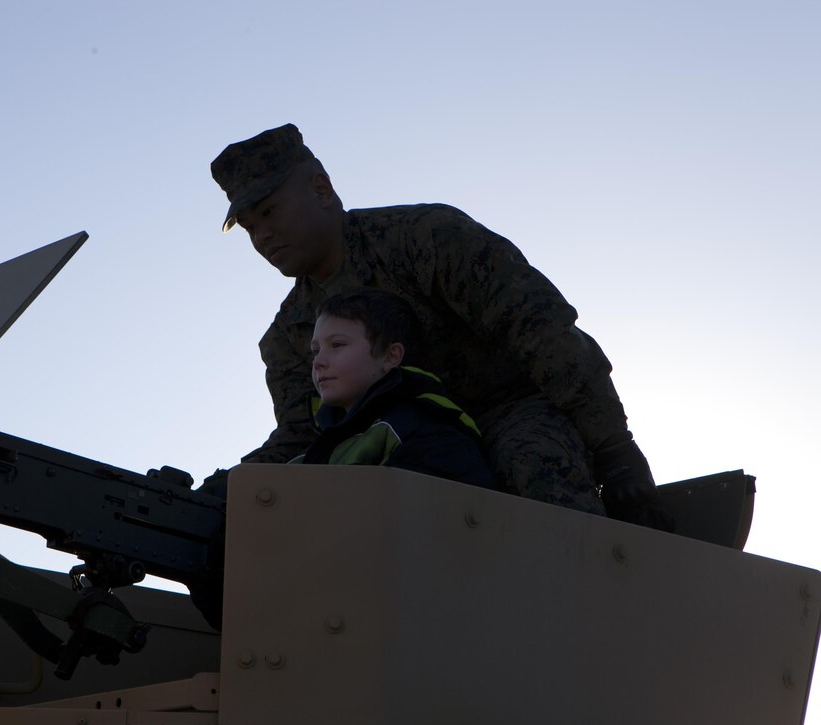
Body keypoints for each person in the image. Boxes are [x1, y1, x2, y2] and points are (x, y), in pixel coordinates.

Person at [210, 123, 671, 530]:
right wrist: (236, 488)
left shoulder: (425, 238)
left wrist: (615, 450)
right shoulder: (289, 334)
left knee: (538, 479)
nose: (262, 236)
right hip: (397, 445)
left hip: (508, 412)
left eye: (269, 212)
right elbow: (305, 434)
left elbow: (540, 330)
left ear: (321, 188)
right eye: (249, 227)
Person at [292, 287, 495, 490]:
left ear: (390, 356)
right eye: (315, 351)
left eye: (336, 344)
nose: (318, 361)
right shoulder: (317, 447)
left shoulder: (427, 432)